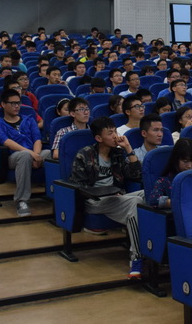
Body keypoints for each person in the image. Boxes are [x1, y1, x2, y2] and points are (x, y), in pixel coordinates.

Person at [69, 116, 144, 278]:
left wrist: (128, 148)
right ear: (99, 138)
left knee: (146, 194)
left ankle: (153, 249)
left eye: (115, 131)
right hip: (94, 201)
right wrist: (107, 192)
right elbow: (79, 187)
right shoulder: (84, 155)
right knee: (136, 202)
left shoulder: (117, 153)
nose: (116, 136)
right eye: (110, 133)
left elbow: (136, 175)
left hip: (116, 198)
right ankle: (136, 257)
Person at [0, 89, 51, 217]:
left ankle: (54, 193)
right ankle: (22, 200)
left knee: (50, 154)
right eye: (13, 103)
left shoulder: (29, 119)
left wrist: (36, 155)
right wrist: (32, 154)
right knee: (24, 156)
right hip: (12, 157)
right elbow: (7, 142)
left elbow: (37, 139)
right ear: (3, 104)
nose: (17, 106)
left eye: (18, 103)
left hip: (33, 153)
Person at [148, 138, 192, 209]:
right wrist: (177, 203)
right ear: (176, 159)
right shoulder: (165, 182)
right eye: (185, 161)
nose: (189, 166)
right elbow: (153, 200)